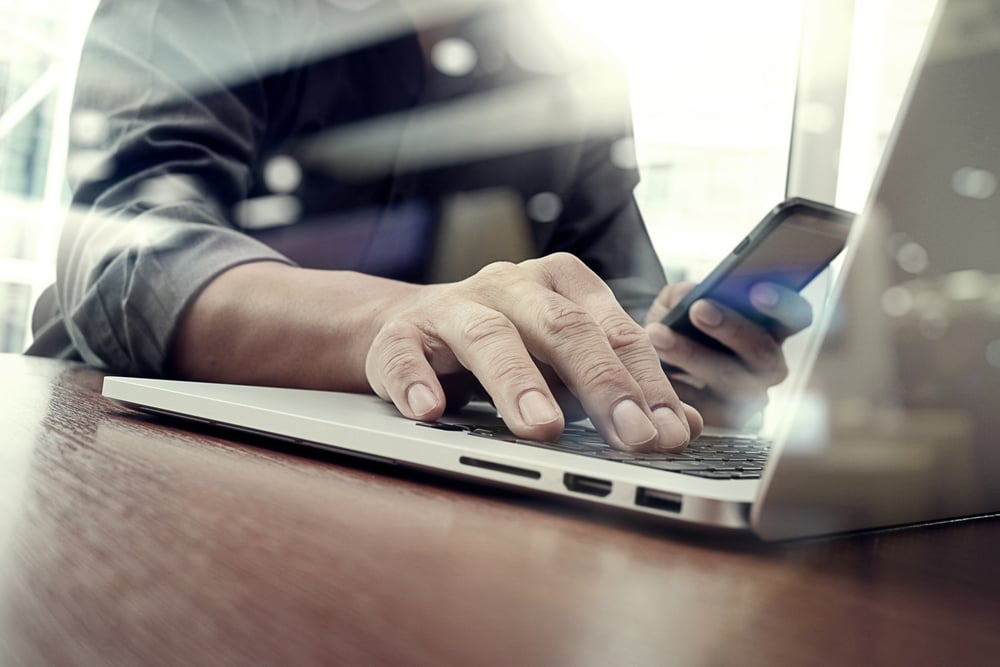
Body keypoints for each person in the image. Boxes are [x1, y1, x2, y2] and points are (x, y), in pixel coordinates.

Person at [27, 0, 810, 453]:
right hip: (120, 443)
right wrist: (395, 318)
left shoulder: (580, 68)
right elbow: (125, 252)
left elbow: (613, 300)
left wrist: (680, 381)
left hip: (430, 473)